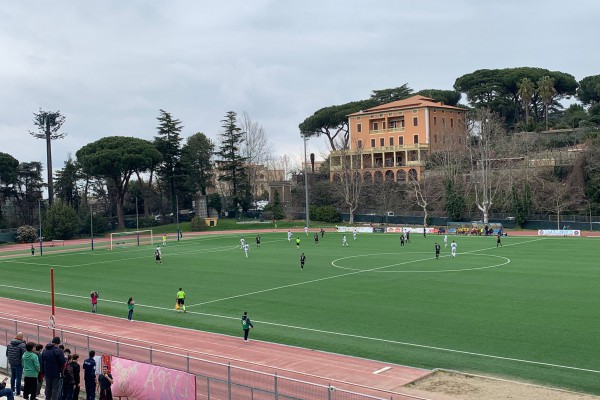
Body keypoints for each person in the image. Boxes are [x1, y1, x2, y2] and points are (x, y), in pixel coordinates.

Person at [6, 332, 26, 396]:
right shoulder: (22, 345)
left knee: (13, 377)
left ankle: (12, 390)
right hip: (19, 364)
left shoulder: (9, 344)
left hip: (11, 362)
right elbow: (24, 355)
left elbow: (7, 354)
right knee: (18, 378)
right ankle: (18, 392)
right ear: (22, 337)